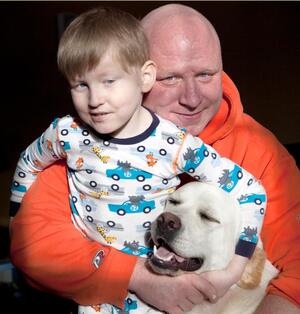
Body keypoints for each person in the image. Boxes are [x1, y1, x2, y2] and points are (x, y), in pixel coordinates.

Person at [9, 3, 299, 314]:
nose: (191, 98)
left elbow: (296, 272)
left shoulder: (260, 150)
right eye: (170, 78)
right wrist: (137, 277)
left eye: (205, 74)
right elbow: (32, 246)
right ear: (137, 76)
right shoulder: (88, 144)